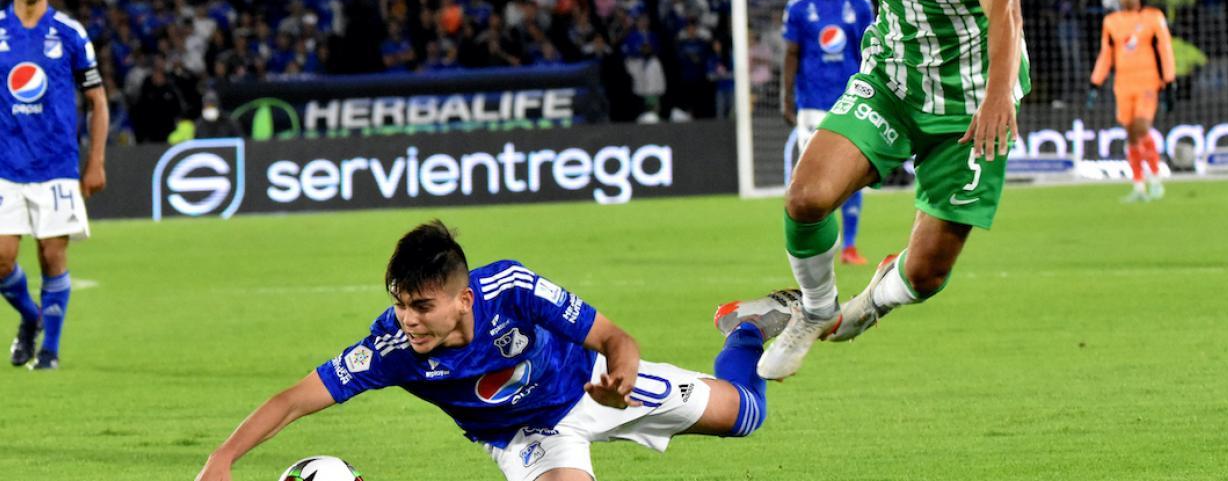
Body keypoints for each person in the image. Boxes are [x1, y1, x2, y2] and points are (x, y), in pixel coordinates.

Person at [737, 0, 1030, 380]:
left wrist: (998, 95)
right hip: (892, 82)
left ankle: (872, 302)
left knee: (926, 276)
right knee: (805, 198)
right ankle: (815, 308)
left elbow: (1006, 5)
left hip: (970, 106)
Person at [194, 221, 796, 481]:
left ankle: (744, 328)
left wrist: (622, 375)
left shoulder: (512, 289)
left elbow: (616, 339)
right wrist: (223, 457)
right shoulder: (392, 347)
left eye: (422, 307)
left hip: (591, 382)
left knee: (748, 414)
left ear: (462, 299)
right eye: (401, 303)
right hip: (526, 433)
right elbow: (295, 399)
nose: (409, 320)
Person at [0, 0, 108, 370]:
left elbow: (98, 101)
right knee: (2, 257)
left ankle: (49, 351)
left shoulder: (69, 32)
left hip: (56, 166)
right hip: (6, 165)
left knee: (52, 255)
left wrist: (96, 161)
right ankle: (31, 318)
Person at [781, 0, 875, 266]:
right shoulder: (798, 7)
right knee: (816, 177)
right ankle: (823, 248)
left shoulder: (859, 5)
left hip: (851, 100)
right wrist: (786, 96)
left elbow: (870, 53)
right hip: (811, 103)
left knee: (850, 172)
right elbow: (791, 54)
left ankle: (849, 245)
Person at [1088, 0, 1175, 202]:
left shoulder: (1153, 17)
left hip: (1147, 82)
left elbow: (1165, 49)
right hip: (1123, 85)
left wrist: (1169, 80)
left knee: (1141, 128)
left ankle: (1155, 177)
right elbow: (1106, 55)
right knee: (1131, 135)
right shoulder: (1111, 22)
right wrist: (1095, 82)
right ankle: (1139, 186)